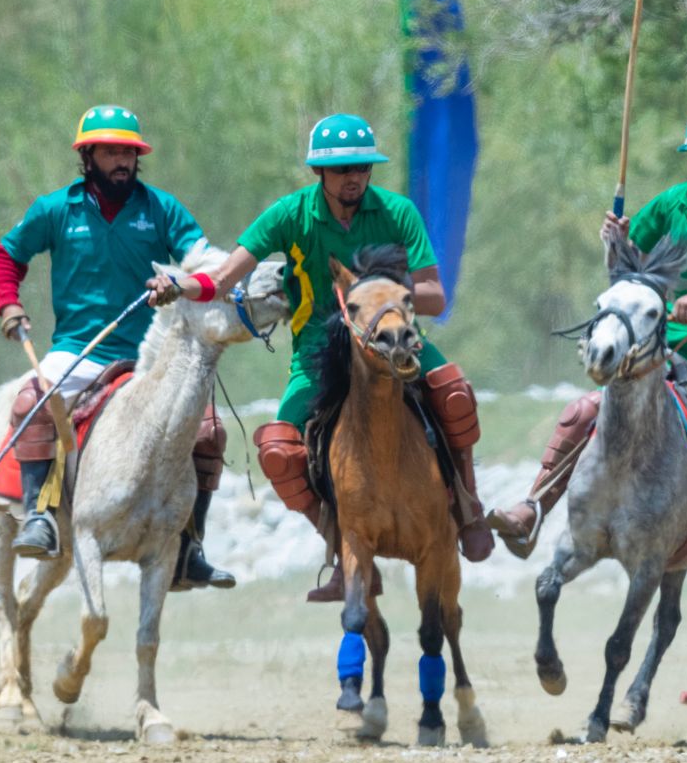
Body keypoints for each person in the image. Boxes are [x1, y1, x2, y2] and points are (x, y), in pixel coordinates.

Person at [148, 113, 493, 602]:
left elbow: (436, 295)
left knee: (454, 393)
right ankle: (339, 548)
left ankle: (468, 509)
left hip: (393, 340)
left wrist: (385, 290)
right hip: (318, 352)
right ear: (320, 173)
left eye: (361, 167)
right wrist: (178, 286)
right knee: (277, 451)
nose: (354, 177)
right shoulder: (290, 214)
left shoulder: (398, 212)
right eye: (342, 169)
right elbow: (224, 279)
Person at [488, 105, 687, 557]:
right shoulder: (671, 203)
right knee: (587, 408)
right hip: (667, 344)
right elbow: (627, 271)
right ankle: (533, 506)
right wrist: (616, 241)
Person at [0, 104, 233, 589]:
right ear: (88, 155)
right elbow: (7, 255)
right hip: (79, 349)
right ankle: (40, 514)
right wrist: (9, 306)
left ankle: (190, 546)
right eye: (110, 150)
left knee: (210, 431)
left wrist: (180, 280)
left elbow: (204, 261)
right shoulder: (55, 209)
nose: (122, 159)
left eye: (129, 151)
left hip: (150, 355)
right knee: (33, 400)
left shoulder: (161, 208)